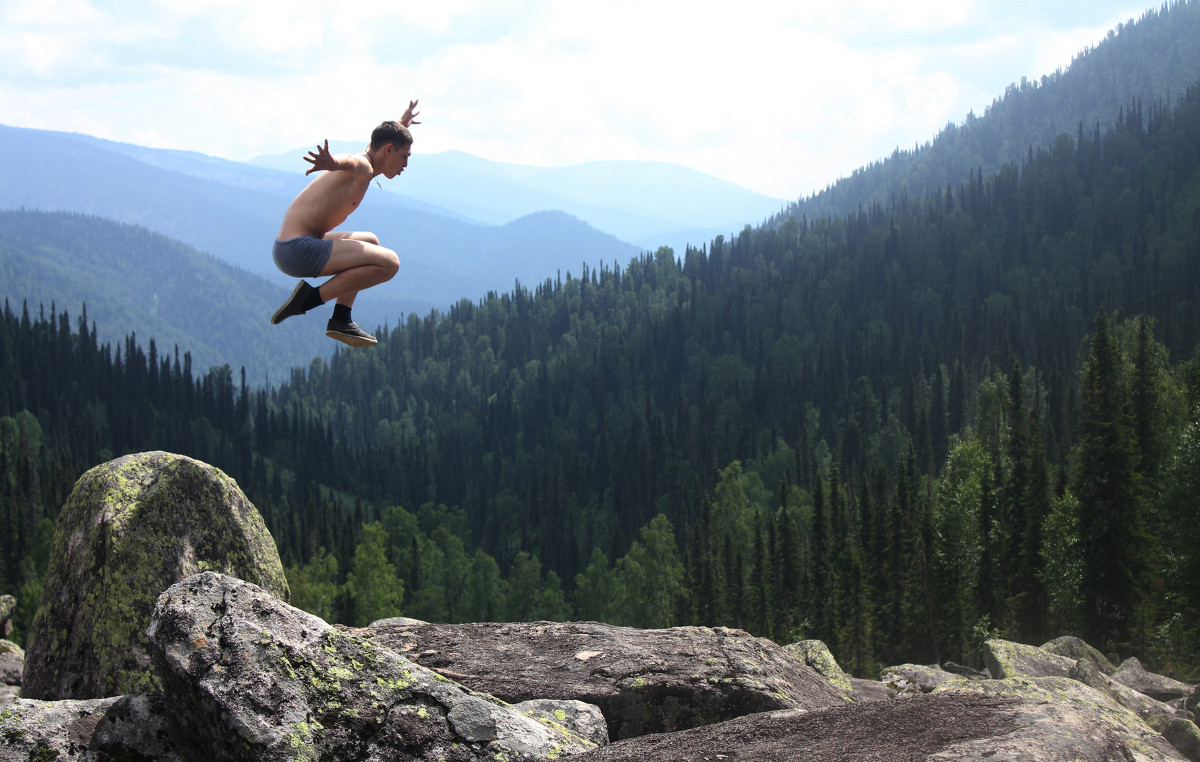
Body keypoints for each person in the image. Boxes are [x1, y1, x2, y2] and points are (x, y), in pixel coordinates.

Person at [269, 100, 420, 347]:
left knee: (370, 241)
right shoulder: (363, 165)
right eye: (404, 157)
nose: (405, 164)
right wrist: (332, 163)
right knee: (390, 262)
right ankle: (308, 300)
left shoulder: (373, 155)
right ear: (389, 150)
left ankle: (341, 319)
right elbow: (349, 161)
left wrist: (401, 124)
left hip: (294, 246)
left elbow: (377, 143)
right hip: (296, 250)